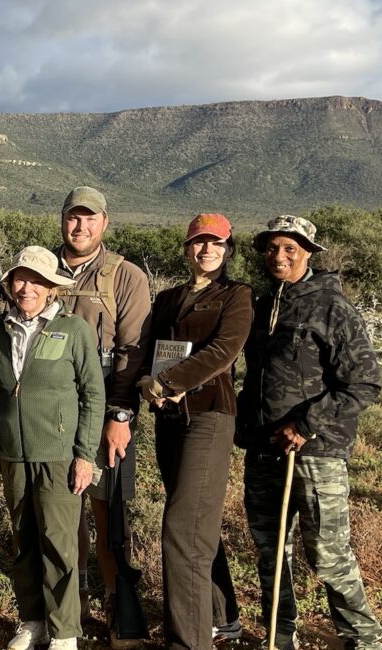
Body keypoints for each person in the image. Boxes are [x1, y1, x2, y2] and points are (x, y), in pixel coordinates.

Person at [236, 215, 382, 650]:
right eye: (271, 248)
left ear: (307, 253)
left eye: (289, 248)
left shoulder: (332, 306)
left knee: (330, 558)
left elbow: (364, 382)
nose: (278, 256)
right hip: (264, 450)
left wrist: (305, 424)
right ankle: (279, 637)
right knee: (270, 553)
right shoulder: (263, 305)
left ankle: (364, 640)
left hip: (317, 453)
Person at [134, 214, 251, 649]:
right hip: (168, 420)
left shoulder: (236, 296)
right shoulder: (167, 298)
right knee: (197, 523)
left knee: (181, 532)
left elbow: (223, 352)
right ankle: (223, 617)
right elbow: (148, 353)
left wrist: (169, 382)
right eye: (199, 243)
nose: (207, 250)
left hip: (209, 417)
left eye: (216, 244)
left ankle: (188, 641)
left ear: (228, 250)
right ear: (186, 249)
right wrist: (148, 385)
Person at [0, 246, 104, 650]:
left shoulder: (73, 330)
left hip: (58, 455)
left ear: (52, 288)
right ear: (10, 283)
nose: (27, 288)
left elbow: (93, 393)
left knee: (59, 542)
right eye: (21, 278)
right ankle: (32, 620)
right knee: (23, 541)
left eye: (37, 281)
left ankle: (65, 631)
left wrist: (85, 455)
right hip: (13, 453)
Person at [51, 186, 151, 649]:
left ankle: (116, 601)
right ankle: (74, 596)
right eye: (74, 217)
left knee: (107, 509)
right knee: (62, 506)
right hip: (52, 409)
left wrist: (121, 414)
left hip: (105, 405)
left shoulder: (125, 276)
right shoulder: (42, 268)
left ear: (104, 223)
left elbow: (133, 352)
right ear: (63, 220)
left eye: (90, 219)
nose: (81, 227)